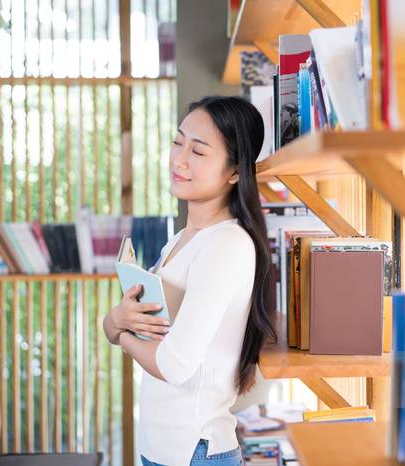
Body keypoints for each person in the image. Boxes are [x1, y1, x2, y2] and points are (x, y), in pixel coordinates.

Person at [103, 95, 277, 466]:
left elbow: (174, 365)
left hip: (195, 452)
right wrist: (117, 323)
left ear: (234, 172)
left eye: (198, 152)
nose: (178, 160)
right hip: (163, 448)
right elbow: (129, 326)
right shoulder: (179, 240)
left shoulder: (227, 244)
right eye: (178, 141)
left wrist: (121, 333)